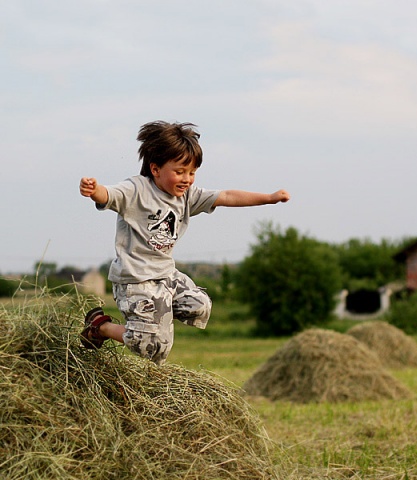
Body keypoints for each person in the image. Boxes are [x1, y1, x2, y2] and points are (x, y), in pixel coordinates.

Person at [79, 120, 290, 365]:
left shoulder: (187, 195)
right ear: (155, 169)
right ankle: (100, 328)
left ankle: (153, 323)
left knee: (198, 306)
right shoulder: (137, 190)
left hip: (166, 276)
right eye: (179, 172)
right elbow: (109, 194)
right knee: (153, 347)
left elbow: (227, 196)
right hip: (135, 280)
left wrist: (269, 198)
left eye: (191, 172)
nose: (187, 179)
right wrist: (94, 190)